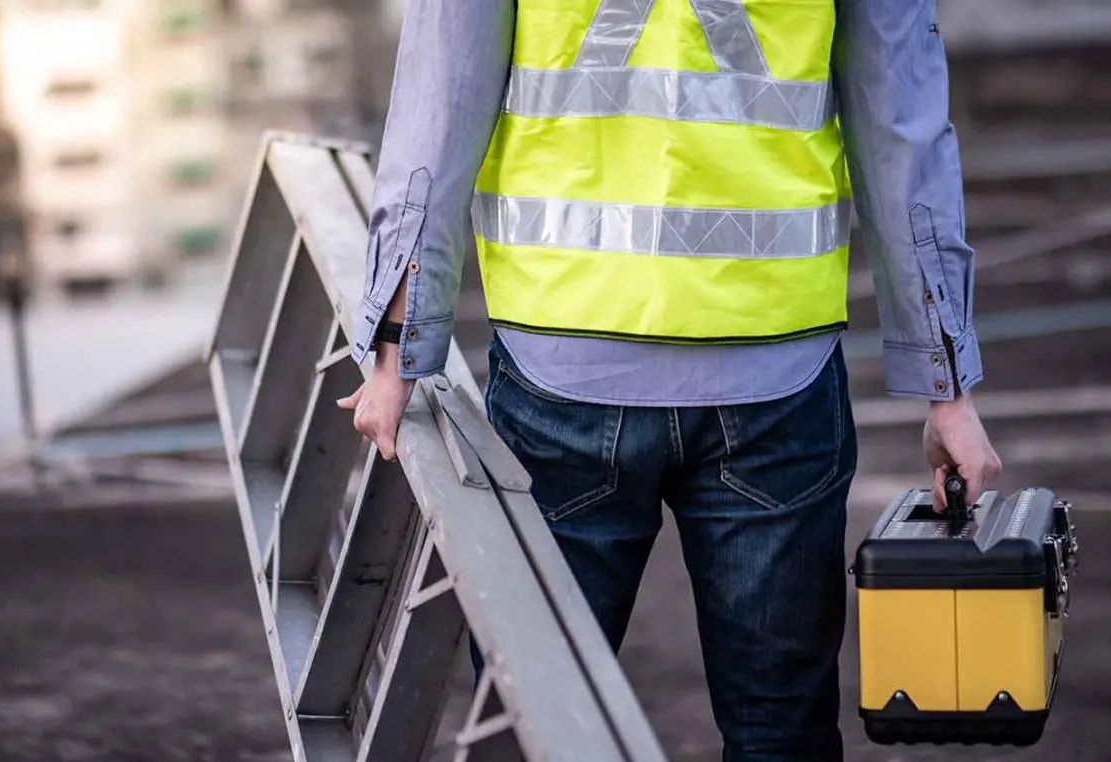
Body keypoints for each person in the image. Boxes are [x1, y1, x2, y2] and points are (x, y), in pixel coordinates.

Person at [337, 1, 1003, 759]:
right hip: (773, 378)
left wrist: (397, 348)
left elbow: (438, 108)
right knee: (779, 725)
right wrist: (947, 387)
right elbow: (902, 137)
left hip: (562, 375)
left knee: (536, 718)